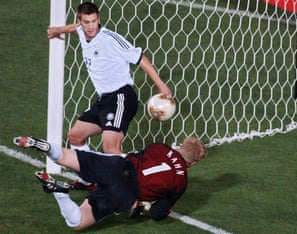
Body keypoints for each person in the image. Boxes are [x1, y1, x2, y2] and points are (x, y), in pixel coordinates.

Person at [48, 2, 172, 189]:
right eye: (86, 22)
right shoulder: (82, 30)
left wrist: (161, 85)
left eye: (94, 21)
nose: (91, 26)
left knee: (110, 148)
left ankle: (144, 183)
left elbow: (141, 59)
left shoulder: (111, 39)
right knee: (75, 137)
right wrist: (59, 30)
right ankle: (88, 178)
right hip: (104, 99)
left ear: (99, 19)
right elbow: (76, 28)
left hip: (121, 96)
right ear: (80, 21)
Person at [13, 135, 207, 230]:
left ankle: (45, 146)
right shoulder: (181, 182)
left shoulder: (161, 147)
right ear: (193, 162)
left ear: (181, 145)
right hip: (124, 192)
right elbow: (157, 214)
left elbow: (140, 157)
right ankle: (60, 192)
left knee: (65, 156)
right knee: (77, 222)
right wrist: (155, 207)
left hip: (116, 165)